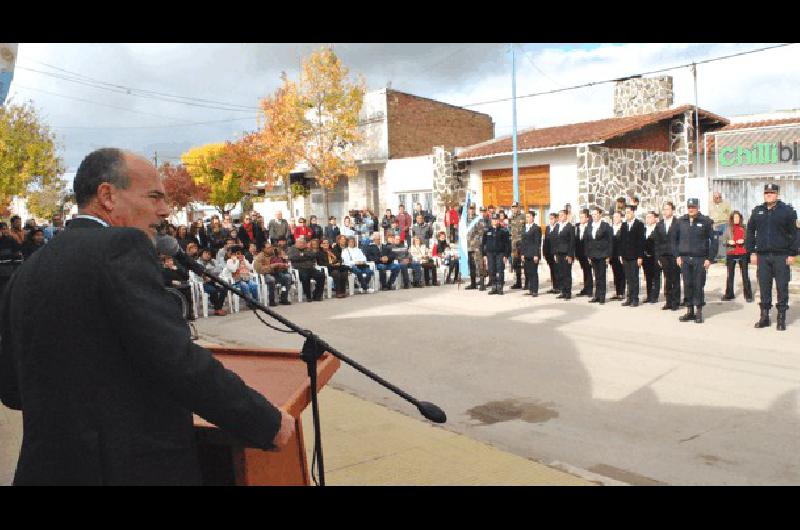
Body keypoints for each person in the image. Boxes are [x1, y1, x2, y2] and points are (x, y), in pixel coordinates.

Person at [0, 147, 293, 485]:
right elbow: (177, 359)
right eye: (154, 196)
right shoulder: (120, 247)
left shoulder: (28, 270)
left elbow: (11, 389)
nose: (164, 210)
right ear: (107, 196)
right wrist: (265, 422)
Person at [747, 184, 798, 331]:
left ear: (777, 194)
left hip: (781, 256)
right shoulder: (758, 211)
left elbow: (795, 234)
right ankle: (765, 317)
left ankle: (781, 317)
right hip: (762, 256)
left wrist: (793, 253)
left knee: (782, 287)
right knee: (764, 287)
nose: (769, 194)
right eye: (766, 192)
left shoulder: (787, 211)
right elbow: (750, 232)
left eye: (772, 192)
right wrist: (751, 252)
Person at [674, 198, 716, 324]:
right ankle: (689, 311)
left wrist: (710, 258)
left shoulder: (706, 221)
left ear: (698, 207)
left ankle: (698, 311)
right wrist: (677, 256)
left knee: (698, 285)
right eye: (689, 207)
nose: (691, 209)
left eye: (693, 207)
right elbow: (674, 240)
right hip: (685, 259)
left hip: (700, 259)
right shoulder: (681, 221)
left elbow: (714, 241)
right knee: (687, 284)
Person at [721, 210, 754, 303]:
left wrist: (743, 240)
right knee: (730, 275)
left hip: (742, 253)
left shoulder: (744, 227)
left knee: (745, 275)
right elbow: (723, 241)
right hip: (731, 253)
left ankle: (748, 295)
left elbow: (748, 238)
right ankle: (729, 294)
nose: (736, 219)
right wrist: (728, 242)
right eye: (734, 217)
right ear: (732, 219)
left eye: (738, 217)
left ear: (740, 218)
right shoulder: (727, 228)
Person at [654, 202, 681, 311]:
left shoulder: (678, 223)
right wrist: (658, 257)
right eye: (664, 209)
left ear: (672, 210)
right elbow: (657, 242)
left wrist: (680, 255)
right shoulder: (660, 224)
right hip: (664, 255)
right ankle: (668, 301)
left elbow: (681, 240)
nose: (666, 211)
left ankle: (676, 302)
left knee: (675, 278)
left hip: (675, 255)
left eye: (668, 209)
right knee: (667, 278)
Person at [619, 204, 645, 307]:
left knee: (634, 278)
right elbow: (621, 241)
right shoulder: (624, 225)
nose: (627, 214)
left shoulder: (639, 225)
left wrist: (640, 256)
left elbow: (641, 242)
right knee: (628, 278)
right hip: (625, 256)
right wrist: (620, 254)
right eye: (626, 213)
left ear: (633, 212)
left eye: (629, 212)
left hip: (635, 256)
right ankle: (629, 298)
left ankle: (635, 299)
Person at [585, 207, 612, 304]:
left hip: (602, 254)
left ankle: (602, 296)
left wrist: (609, 256)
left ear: (600, 215)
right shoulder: (589, 225)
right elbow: (587, 241)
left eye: (596, 214)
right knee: (596, 276)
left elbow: (610, 241)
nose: (594, 216)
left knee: (602, 276)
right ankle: (596, 295)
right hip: (593, 254)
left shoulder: (605, 226)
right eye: (593, 215)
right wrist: (588, 254)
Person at [287, 236, 325, 302]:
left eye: (303, 243)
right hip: (299, 269)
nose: (302, 244)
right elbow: (292, 257)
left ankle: (317, 294)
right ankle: (308, 296)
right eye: (300, 243)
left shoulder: (307, 249)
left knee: (321, 275)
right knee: (305, 276)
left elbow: (313, 255)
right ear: (296, 243)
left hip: (310, 268)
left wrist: (302, 255)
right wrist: (305, 256)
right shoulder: (292, 249)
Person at [482, 214, 511, 295]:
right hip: (490, 254)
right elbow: (483, 243)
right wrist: (484, 255)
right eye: (493, 219)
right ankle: (494, 287)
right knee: (491, 270)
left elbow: (507, 244)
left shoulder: (504, 230)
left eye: (496, 219)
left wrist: (506, 255)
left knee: (500, 270)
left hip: (500, 253)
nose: (495, 221)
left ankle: (500, 287)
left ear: (499, 220)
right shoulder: (487, 230)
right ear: (491, 221)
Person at [161, 255, 195, 321]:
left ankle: (189, 313)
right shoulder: (163, 271)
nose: (170, 263)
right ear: (164, 263)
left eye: (171, 261)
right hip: (171, 287)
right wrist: (172, 282)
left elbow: (186, 277)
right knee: (181, 293)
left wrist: (178, 270)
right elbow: (163, 280)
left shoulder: (176, 269)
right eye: (168, 261)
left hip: (180, 286)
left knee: (187, 290)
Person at [197, 248, 228, 315]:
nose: (207, 255)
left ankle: (218, 308)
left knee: (224, 288)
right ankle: (218, 309)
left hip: (214, 281)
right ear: (201, 254)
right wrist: (206, 275)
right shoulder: (198, 262)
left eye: (209, 254)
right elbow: (198, 274)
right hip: (204, 283)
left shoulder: (213, 261)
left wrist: (210, 269)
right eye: (205, 253)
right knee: (213, 290)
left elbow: (219, 270)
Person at [553, 210, 575, 300]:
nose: (560, 216)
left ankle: (568, 293)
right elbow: (555, 240)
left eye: (562, 215)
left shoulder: (570, 226)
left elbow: (572, 242)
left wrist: (570, 255)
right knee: (560, 273)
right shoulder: (557, 226)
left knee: (567, 273)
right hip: (559, 253)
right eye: (559, 215)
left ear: (566, 216)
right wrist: (555, 253)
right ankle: (563, 291)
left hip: (566, 254)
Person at [519, 209, 541, 297]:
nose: (527, 218)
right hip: (526, 254)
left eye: (529, 217)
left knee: (534, 272)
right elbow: (523, 242)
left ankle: (535, 290)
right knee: (528, 272)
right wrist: (522, 254)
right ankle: (530, 289)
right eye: (526, 217)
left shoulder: (536, 228)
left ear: (533, 217)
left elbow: (537, 242)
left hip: (533, 254)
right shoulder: (525, 228)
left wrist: (536, 254)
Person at [465, 205, 488, 291]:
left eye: (472, 209)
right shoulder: (465, 220)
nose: (471, 211)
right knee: (471, 265)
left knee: (479, 264)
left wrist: (477, 242)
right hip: (467, 246)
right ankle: (473, 283)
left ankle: (482, 283)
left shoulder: (479, 219)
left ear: (475, 210)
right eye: (469, 209)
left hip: (477, 246)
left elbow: (482, 233)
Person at [643, 211, 662, 304]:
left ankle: (655, 296)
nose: (648, 219)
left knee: (656, 276)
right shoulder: (644, 229)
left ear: (655, 218)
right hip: (646, 257)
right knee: (648, 276)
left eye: (650, 217)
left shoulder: (658, 229)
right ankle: (649, 295)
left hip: (655, 256)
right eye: (647, 217)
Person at [507, 202, 526, 290]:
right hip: (514, 244)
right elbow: (510, 231)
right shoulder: (511, 218)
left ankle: (527, 283)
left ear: (519, 208)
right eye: (513, 207)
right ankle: (518, 282)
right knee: (516, 264)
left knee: (525, 263)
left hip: (522, 243)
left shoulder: (523, 217)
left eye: (516, 207)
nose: (514, 209)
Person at [574, 209, 593, 297]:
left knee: (589, 271)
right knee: (585, 270)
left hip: (588, 253)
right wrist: (576, 254)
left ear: (587, 218)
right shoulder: (578, 227)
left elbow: (591, 241)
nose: (580, 219)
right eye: (580, 217)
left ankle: (589, 290)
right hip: (580, 253)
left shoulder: (590, 226)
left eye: (582, 217)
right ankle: (586, 288)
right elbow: (577, 240)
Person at [709, 191, 732, 260]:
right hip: (715, 225)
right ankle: (715, 257)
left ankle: (723, 257)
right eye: (716, 197)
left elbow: (730, 213)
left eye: (719, 197)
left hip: (724, 224)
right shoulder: (710, 204)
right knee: (715, 241)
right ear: (713, 198)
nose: (718, 199)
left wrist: (729, 223)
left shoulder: (726, 204)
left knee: (723, 241)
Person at [609, 211, 626, 301]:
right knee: (615, 273)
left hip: (621, 254)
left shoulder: (624, 227)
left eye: (617, 217)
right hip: (613, 254)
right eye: (614, 217)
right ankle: (617, 291)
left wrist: (622, 254)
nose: (615, 218)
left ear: (621, 218)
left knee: (622, 273)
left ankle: (622, 292)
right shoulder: (611, 228)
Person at [543, 213, 559, 294]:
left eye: (552, 218)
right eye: (550, 218)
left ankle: (558, 287)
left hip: (556, 253)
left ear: (556, 219)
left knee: (557, 270)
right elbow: (545, 240)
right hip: (549, 253)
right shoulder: (548, 228)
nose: (551, 220)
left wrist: (557, 253)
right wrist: (544, 253)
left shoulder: (558, 227)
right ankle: (554, 286)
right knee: (552, 270)